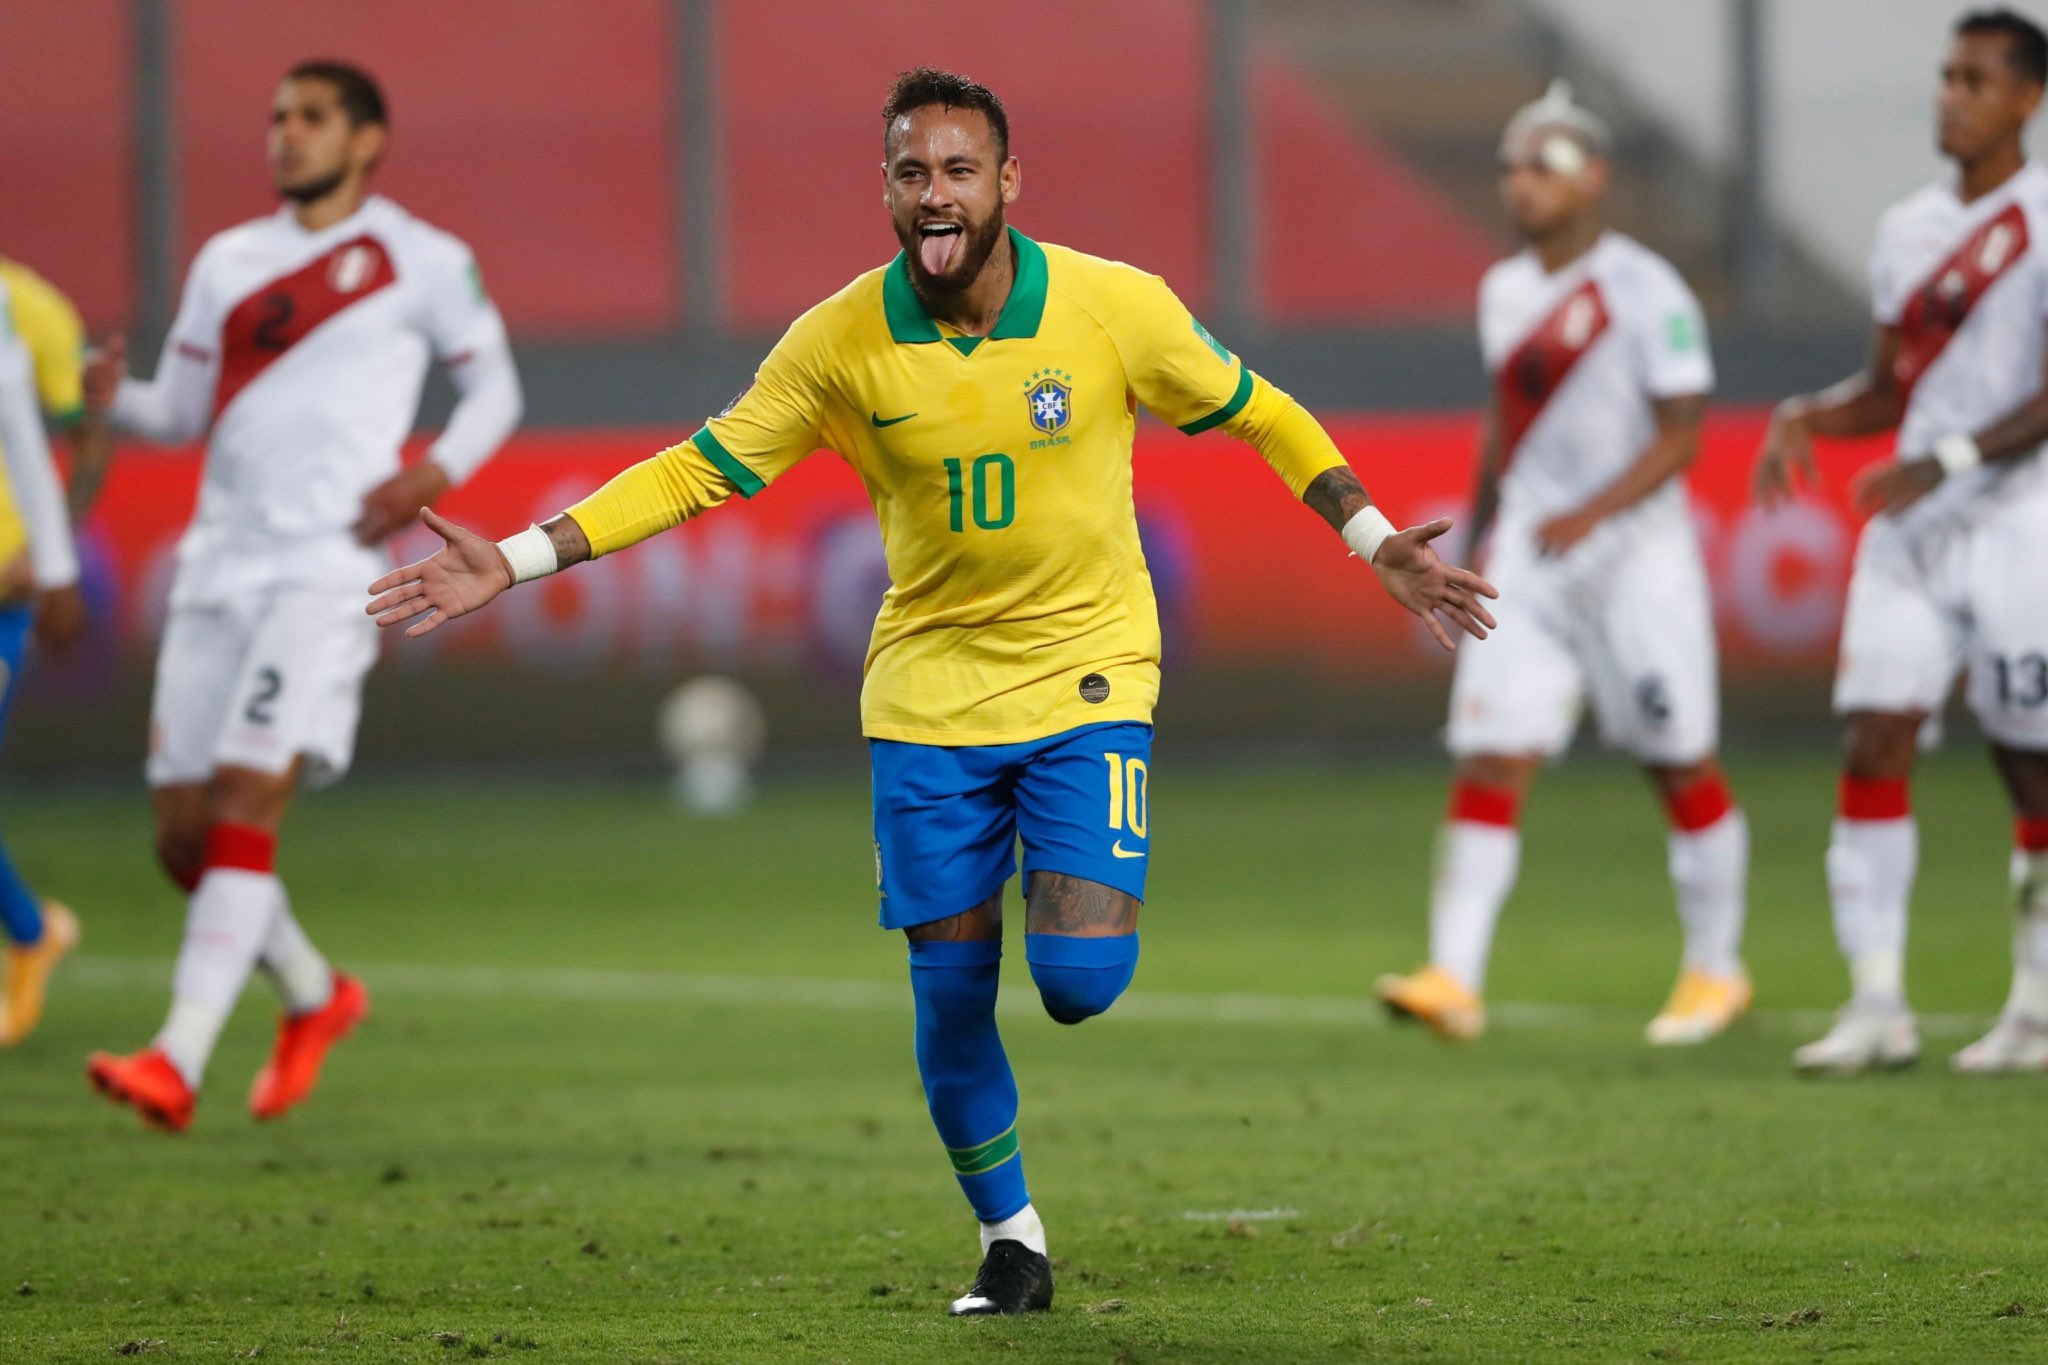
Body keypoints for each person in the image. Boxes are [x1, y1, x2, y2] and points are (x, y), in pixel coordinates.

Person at [365, 68, 1496, 1315]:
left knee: (1075, 983)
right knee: (949, 996)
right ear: (889, 193)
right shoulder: (839, 340)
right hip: (925, 704)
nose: (935, 194)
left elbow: (1259, 411)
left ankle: (1060, 876)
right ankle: (1012, 1241)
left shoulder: (1113, 308)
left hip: (1085, 674)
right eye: (912, 173)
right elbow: (695, 472)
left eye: (960, 170)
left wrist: (1373, 536)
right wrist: (517, 561)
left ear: (1009, 182)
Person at [82, 60, 523, 1128]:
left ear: (366, 139)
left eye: (311, 117)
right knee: (183, 839)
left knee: (242, 805)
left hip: (326, 569)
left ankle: (176, 1060)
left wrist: (432, 470)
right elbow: (183, 411)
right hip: (216, 565)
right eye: (277, 115)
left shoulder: (420, 258)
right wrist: (112, 400)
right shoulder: (229, 259)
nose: (285, 133)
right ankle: (316, 998)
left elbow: (495, 386)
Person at [1374, 83, 1750, 1046]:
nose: (1521, 182)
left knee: (1677, 759)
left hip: (1635, 556)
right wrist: (1482, 535)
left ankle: (1717, 969)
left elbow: (1681, 435)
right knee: (1492, 754)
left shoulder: (1645, 287)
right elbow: (1506, 425)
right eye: (1511, 166)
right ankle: (1453, 977)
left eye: (1542, 164)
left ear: (1594, 179)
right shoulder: (1504, 288)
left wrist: (1595, 511)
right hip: (1532, 558)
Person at [1756, 9, 2048, 1075]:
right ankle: (1876, 1003)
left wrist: (1951, 459)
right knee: (1871, 741)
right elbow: (1887, 391)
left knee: (2028, 764)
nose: (1948, 95)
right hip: (1910, 530)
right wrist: (1805, 411)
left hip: (2019, 522)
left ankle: (2033, 1007)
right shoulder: (1904, 228)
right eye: (1943, 76)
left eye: (1973, 80)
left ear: (2026, 97)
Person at [0, 258, 96, 1044]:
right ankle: (34, 930)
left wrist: (53, 560)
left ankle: (32, 934)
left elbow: (70, 436)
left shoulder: (29, 307)